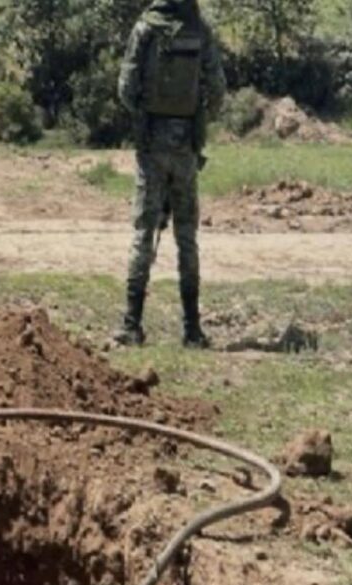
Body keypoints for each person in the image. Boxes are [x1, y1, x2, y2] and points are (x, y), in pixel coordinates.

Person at [113, 0, 226, 348]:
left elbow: (125, 88)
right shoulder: (199, 29)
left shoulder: (145, 27)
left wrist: (145, 114)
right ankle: (192, 330)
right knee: (186, 237)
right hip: (186, 147)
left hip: (151, 146)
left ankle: (132, 324)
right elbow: (217, 90)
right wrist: (197, 118)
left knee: (143, 234)